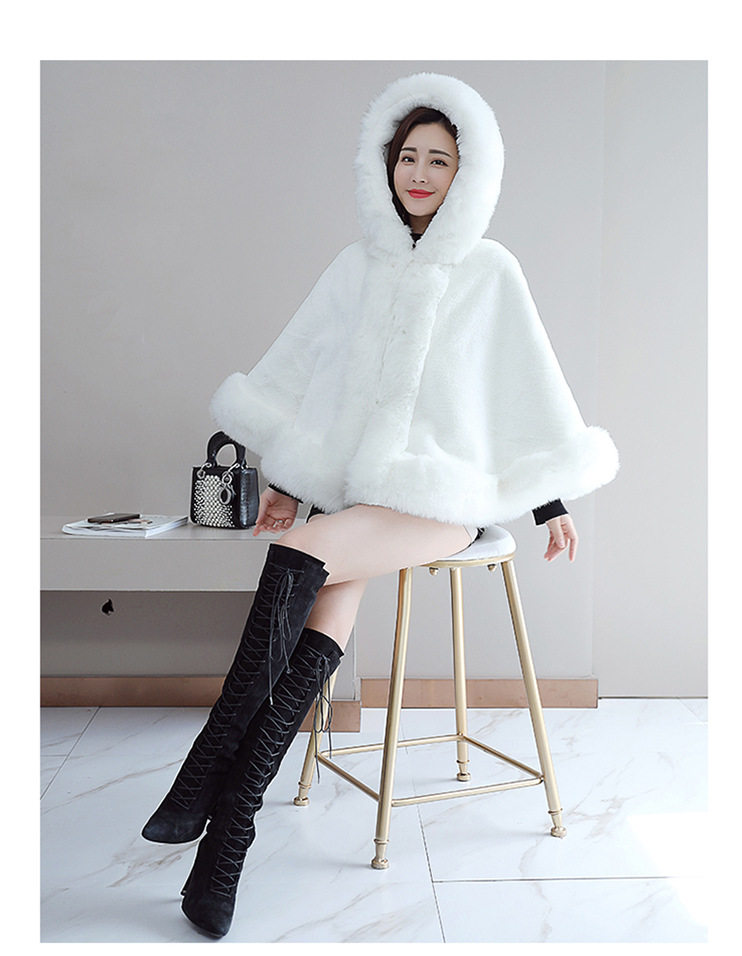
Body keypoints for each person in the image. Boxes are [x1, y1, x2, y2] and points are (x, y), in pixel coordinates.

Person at [141, 72, 619, 938]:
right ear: (383, 165)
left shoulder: (489, 269)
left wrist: (549, 503)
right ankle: (229, 834)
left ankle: (208, 766)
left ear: (468, 172)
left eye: (440, 159)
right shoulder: (355, 265)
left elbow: (521, 390)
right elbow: (310, 375)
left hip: (443, 496)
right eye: (408, 157)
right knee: (321, 593)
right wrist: (290, 480)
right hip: (360, 494)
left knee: (304, 556)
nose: (421, 173)